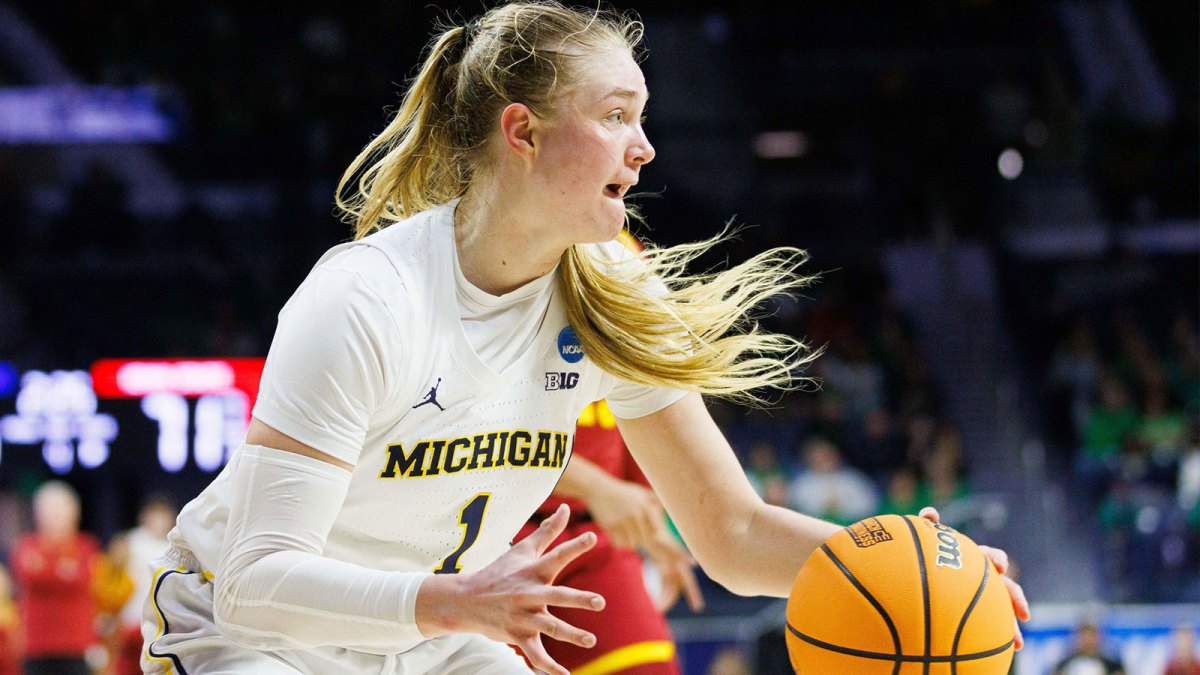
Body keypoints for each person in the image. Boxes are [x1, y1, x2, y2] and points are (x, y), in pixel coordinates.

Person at [142, 3, 1029, 674]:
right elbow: (258, 577)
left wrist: (894, 558)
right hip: (253, 629)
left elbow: (729, 527)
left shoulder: (609, 285)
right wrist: (450, 601)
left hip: (436, 631)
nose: (643, 148)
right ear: (521, 131)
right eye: (614, 116)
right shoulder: (367, 295)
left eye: (642, 119)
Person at [514, 399, 703, 674]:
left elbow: (633, 413)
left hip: (596, 538)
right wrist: (596, 486)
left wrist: (651, 527)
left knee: (647, 666)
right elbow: (477, 427)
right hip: (495, 535)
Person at [12, 481, 99, 675]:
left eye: (60, 511)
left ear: (74, 513)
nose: (55, 517)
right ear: (37, 515)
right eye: (49, 511)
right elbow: (30, 576)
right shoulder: (26, 546)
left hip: (75, 646)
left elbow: (82, 578)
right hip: (36, 647)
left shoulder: (86, 546)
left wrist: (47, 567)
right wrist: (63, 571)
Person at [1051, 622, 1124, 675]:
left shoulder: (1112, 665)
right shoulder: (1064, 665)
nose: (1087, 641)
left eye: (1091, 637)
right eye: (1084, 637)